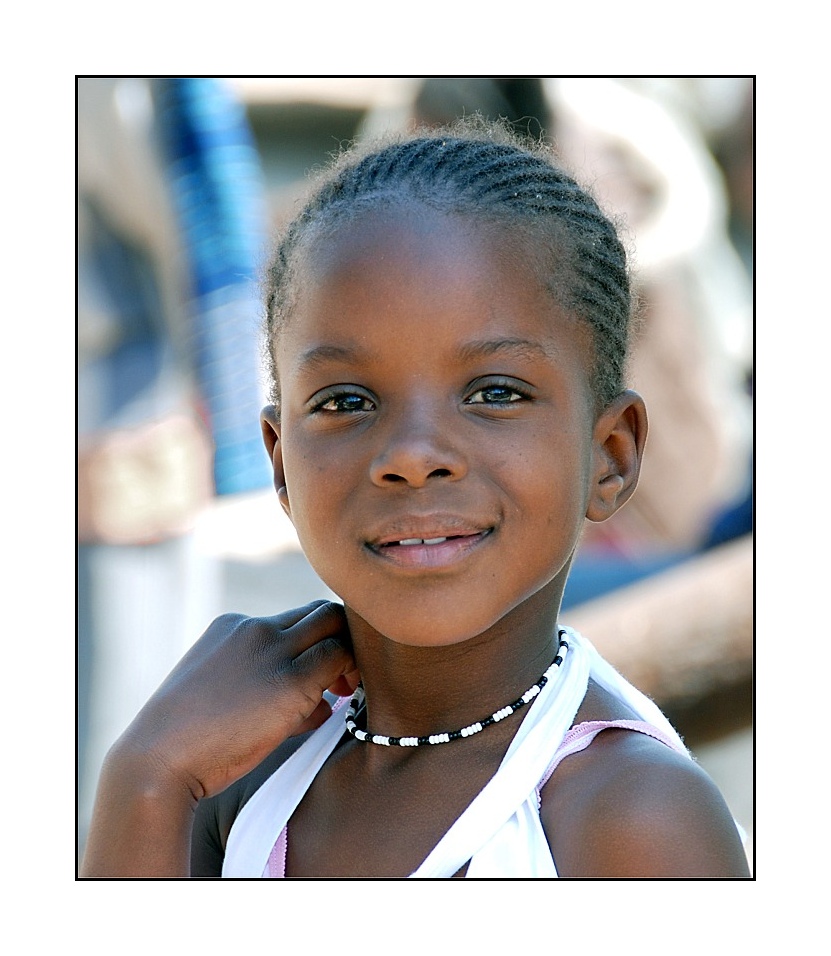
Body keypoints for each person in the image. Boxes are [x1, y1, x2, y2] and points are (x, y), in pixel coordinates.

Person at [81, 117, 750, 879]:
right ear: (279, 465)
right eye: (344, 401)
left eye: (494, 392)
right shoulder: (238, 776)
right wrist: (144, 776)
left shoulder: (627, 817)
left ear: (609, 454)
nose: (410, 457)